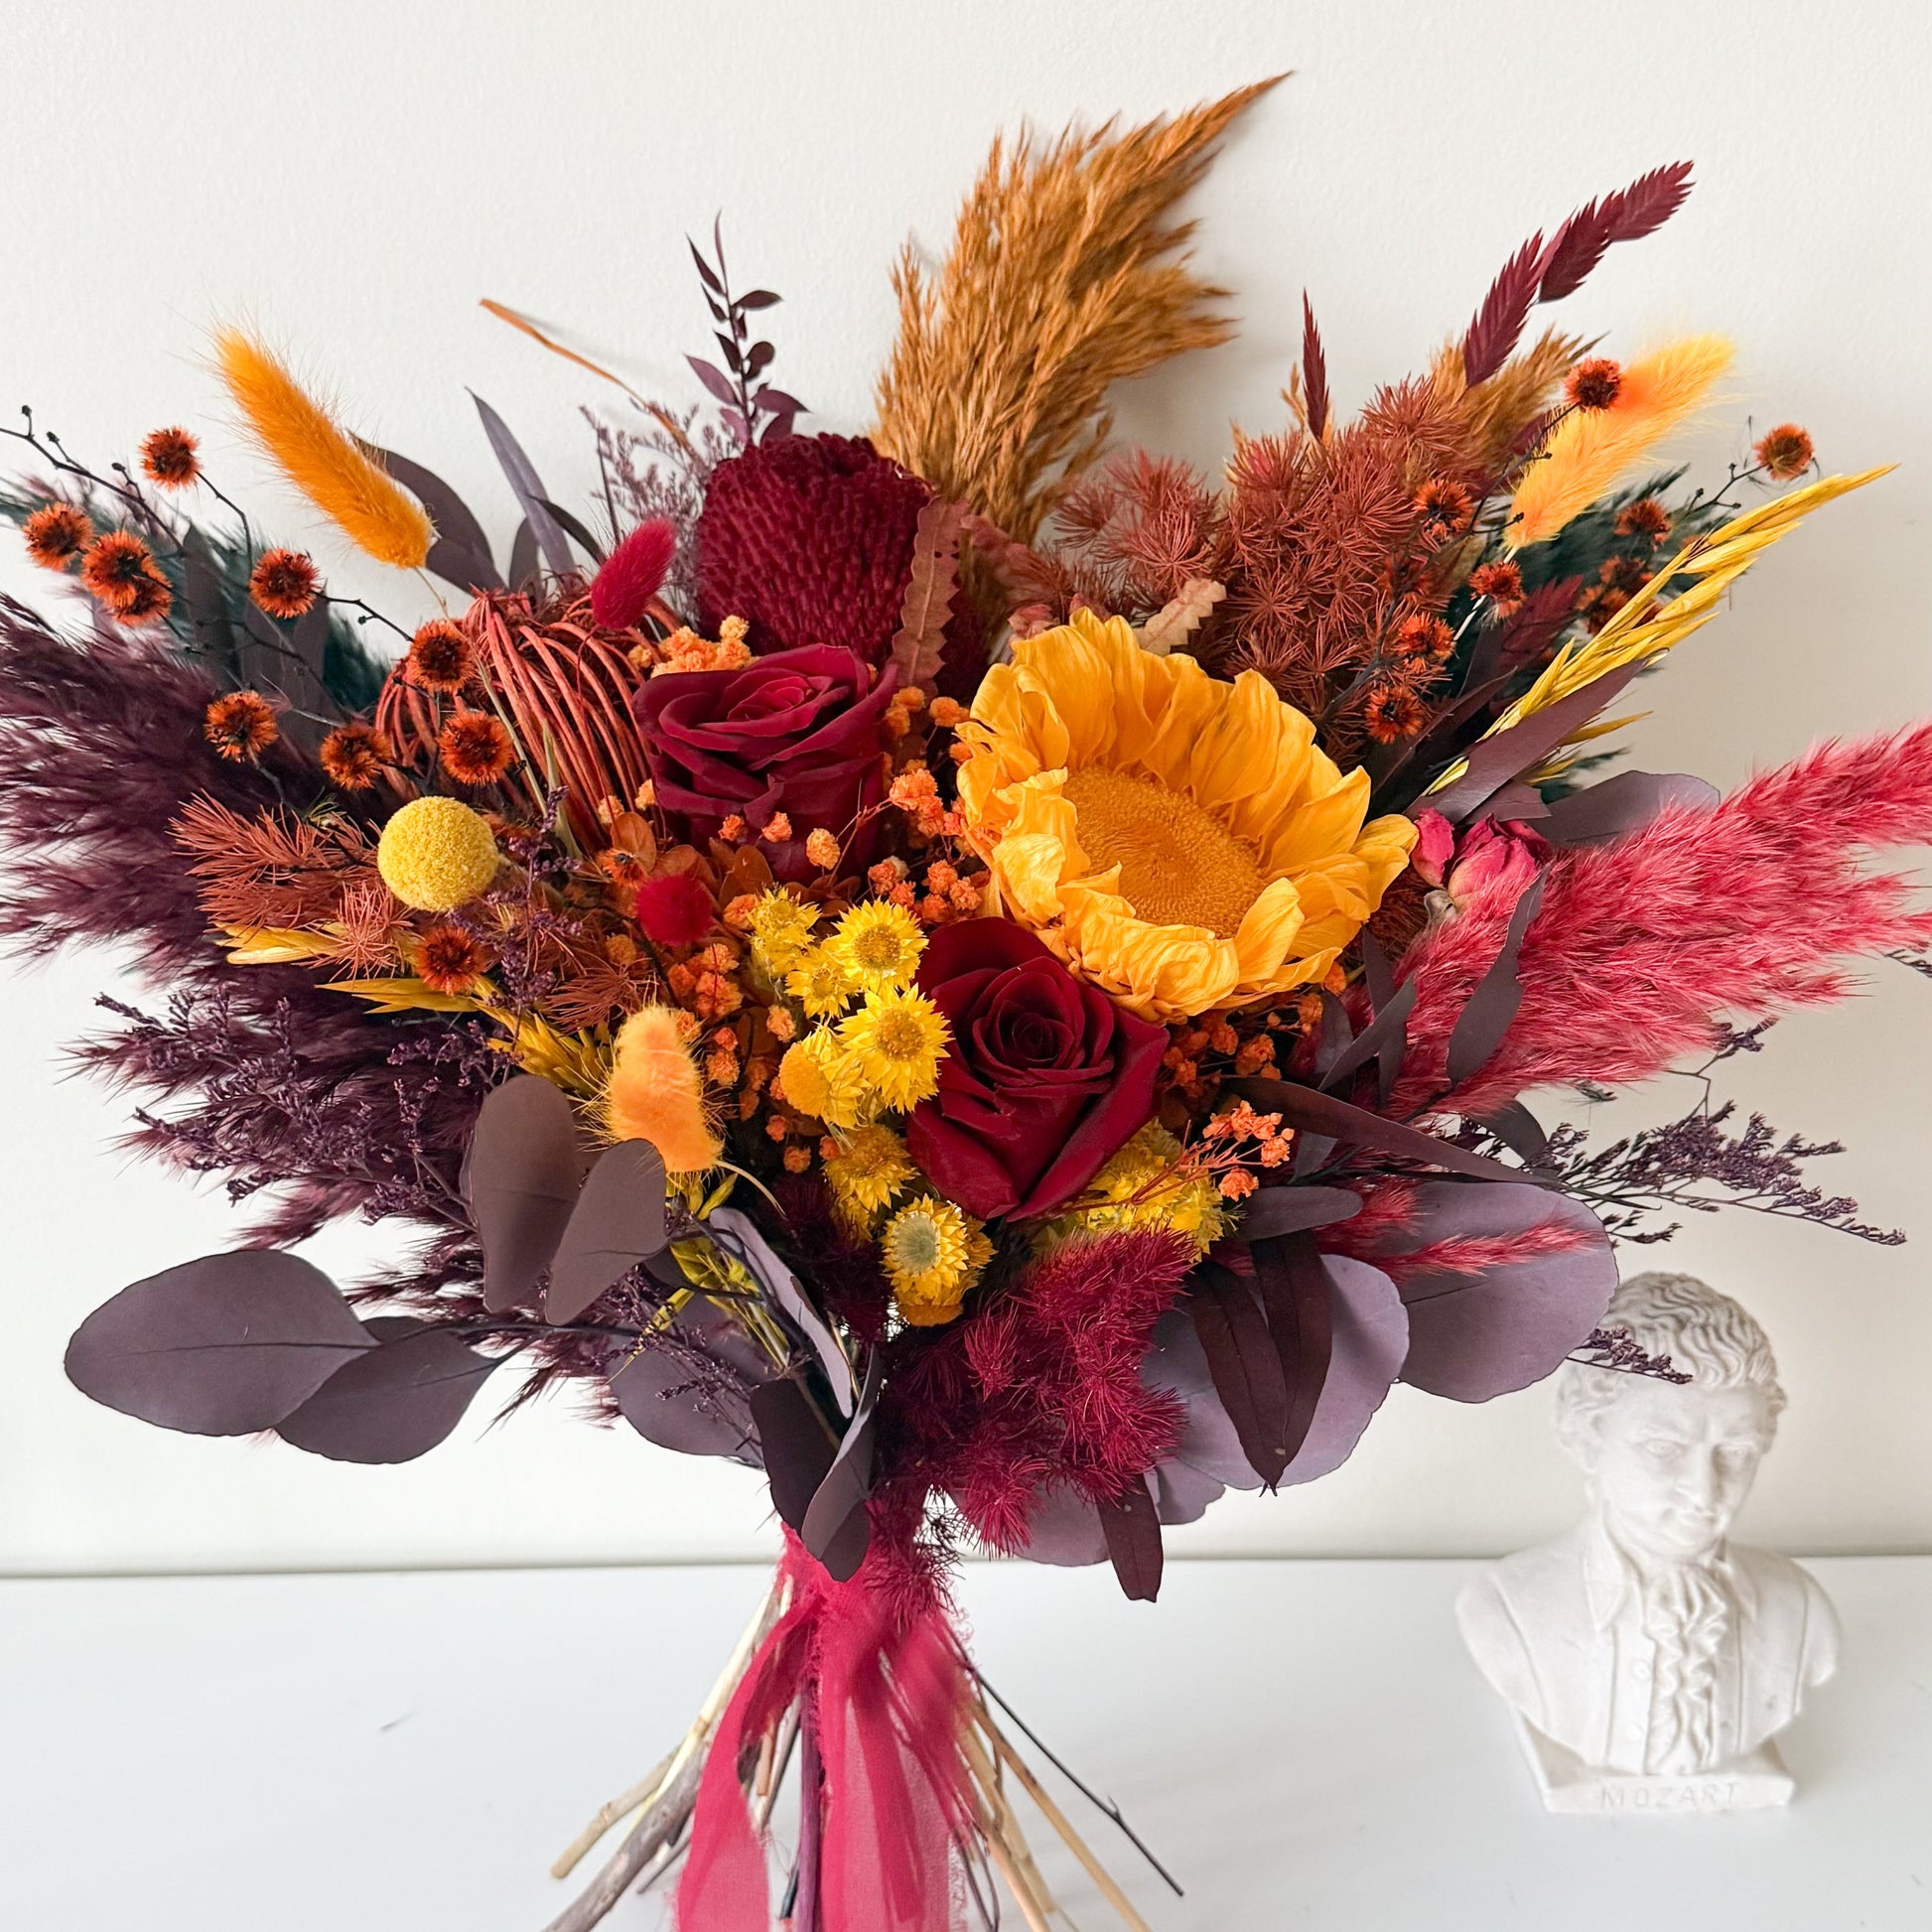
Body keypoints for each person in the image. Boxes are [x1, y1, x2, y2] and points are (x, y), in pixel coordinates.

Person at [1458, 1272, 1838, 1783]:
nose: (1704, 1490)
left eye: (1736, 1451)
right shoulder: (1505, 1609)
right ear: (1585, 1436)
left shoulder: (1803, 1612)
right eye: (1663, 1448)